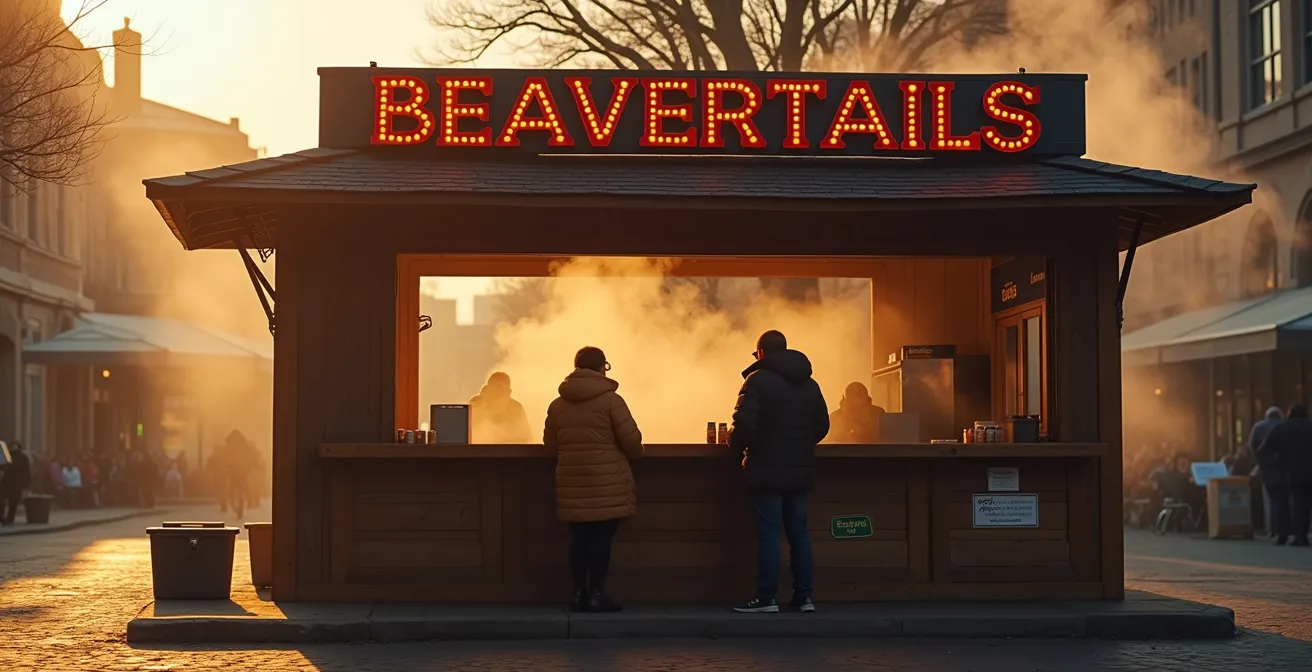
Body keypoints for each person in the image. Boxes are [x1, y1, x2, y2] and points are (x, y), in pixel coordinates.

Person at [729, 330, 829, 614]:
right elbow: (822, 426)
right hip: (800, 469)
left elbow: (744, 426)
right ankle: (804, 597)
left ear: (760, 353)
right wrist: (800, 445)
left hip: (766, 468)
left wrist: (734, 444)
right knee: (799, 533)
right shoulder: (810, 384)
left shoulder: (757, 381)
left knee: (769, 533)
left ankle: (766, 598)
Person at [543, 346, 643, 613]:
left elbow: (550, 447)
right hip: (606, 482)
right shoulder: (611, 401)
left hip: (571, 481)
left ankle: (578, 594)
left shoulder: (557, 405)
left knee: (578, 540)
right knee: (601, 539)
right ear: (602, 367)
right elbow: (633, 443)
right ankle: (597, 594)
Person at [1258, 404, 1312, 546]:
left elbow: (1263, 450)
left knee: (1297, 502)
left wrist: (1276, 461)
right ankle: (1302, 534)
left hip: (1291, 472)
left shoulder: (1281, 429)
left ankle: (1297, 536)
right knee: (1305, 504)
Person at [469, 372, 532, 443]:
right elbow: (469, 429)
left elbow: (526, 436)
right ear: (489, 388)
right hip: (481, 450)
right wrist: (490, 410)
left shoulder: (515, 407)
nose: (500, 392)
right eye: (498, 387)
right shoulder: (476, 403)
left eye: (505, 388)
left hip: (509, 450)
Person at [1, 442, 31, 525]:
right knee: (2, 500)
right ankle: (2, 517)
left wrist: (26, 484)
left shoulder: (23, 458)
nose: (13, 448)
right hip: (6, 482)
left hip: (16, 484)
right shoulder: (6, 456)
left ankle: (9, 519)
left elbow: (26, 472)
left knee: (13, 503)